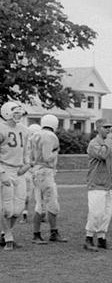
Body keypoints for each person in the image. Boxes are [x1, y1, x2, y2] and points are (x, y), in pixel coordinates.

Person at [84, 118, 112, 251]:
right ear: (98, 129)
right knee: (95, 213)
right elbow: (103, 155)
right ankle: (88, 239)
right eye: (105, 127)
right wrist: (110, 141)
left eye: (110, 127)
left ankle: (102, 239)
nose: (109, 130)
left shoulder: (110, 145)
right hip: (96, 184)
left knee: (106, 214)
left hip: (109, 184)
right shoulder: (94, 144)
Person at [30, 114, 67, 243]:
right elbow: (47, 157)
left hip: (35, 171)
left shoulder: (35, 135)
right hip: (45, 172)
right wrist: (56, 151)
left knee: (40, 204)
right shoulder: (50, 136)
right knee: (51, 204)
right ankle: (52, 233)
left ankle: (39, 233)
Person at [0, 100, 31, 250]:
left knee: (18, 209)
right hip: (4, 168)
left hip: (19, 170)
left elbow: (27, 151)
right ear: (7, 113)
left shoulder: (24, 130)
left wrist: (27, 165)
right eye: (15, 112)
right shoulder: (1, 128)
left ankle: (4, 234)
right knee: (6, 209)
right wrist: (2, 172)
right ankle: (8, 237)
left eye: (20, 112)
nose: (18, 115)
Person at [21, 123, 41, 223]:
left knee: (36, 194)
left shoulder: (35, 143)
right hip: (30, 170)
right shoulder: (28, 144)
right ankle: (26, 214)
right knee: (29, 194)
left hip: (33, 170)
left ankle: (39, 213)